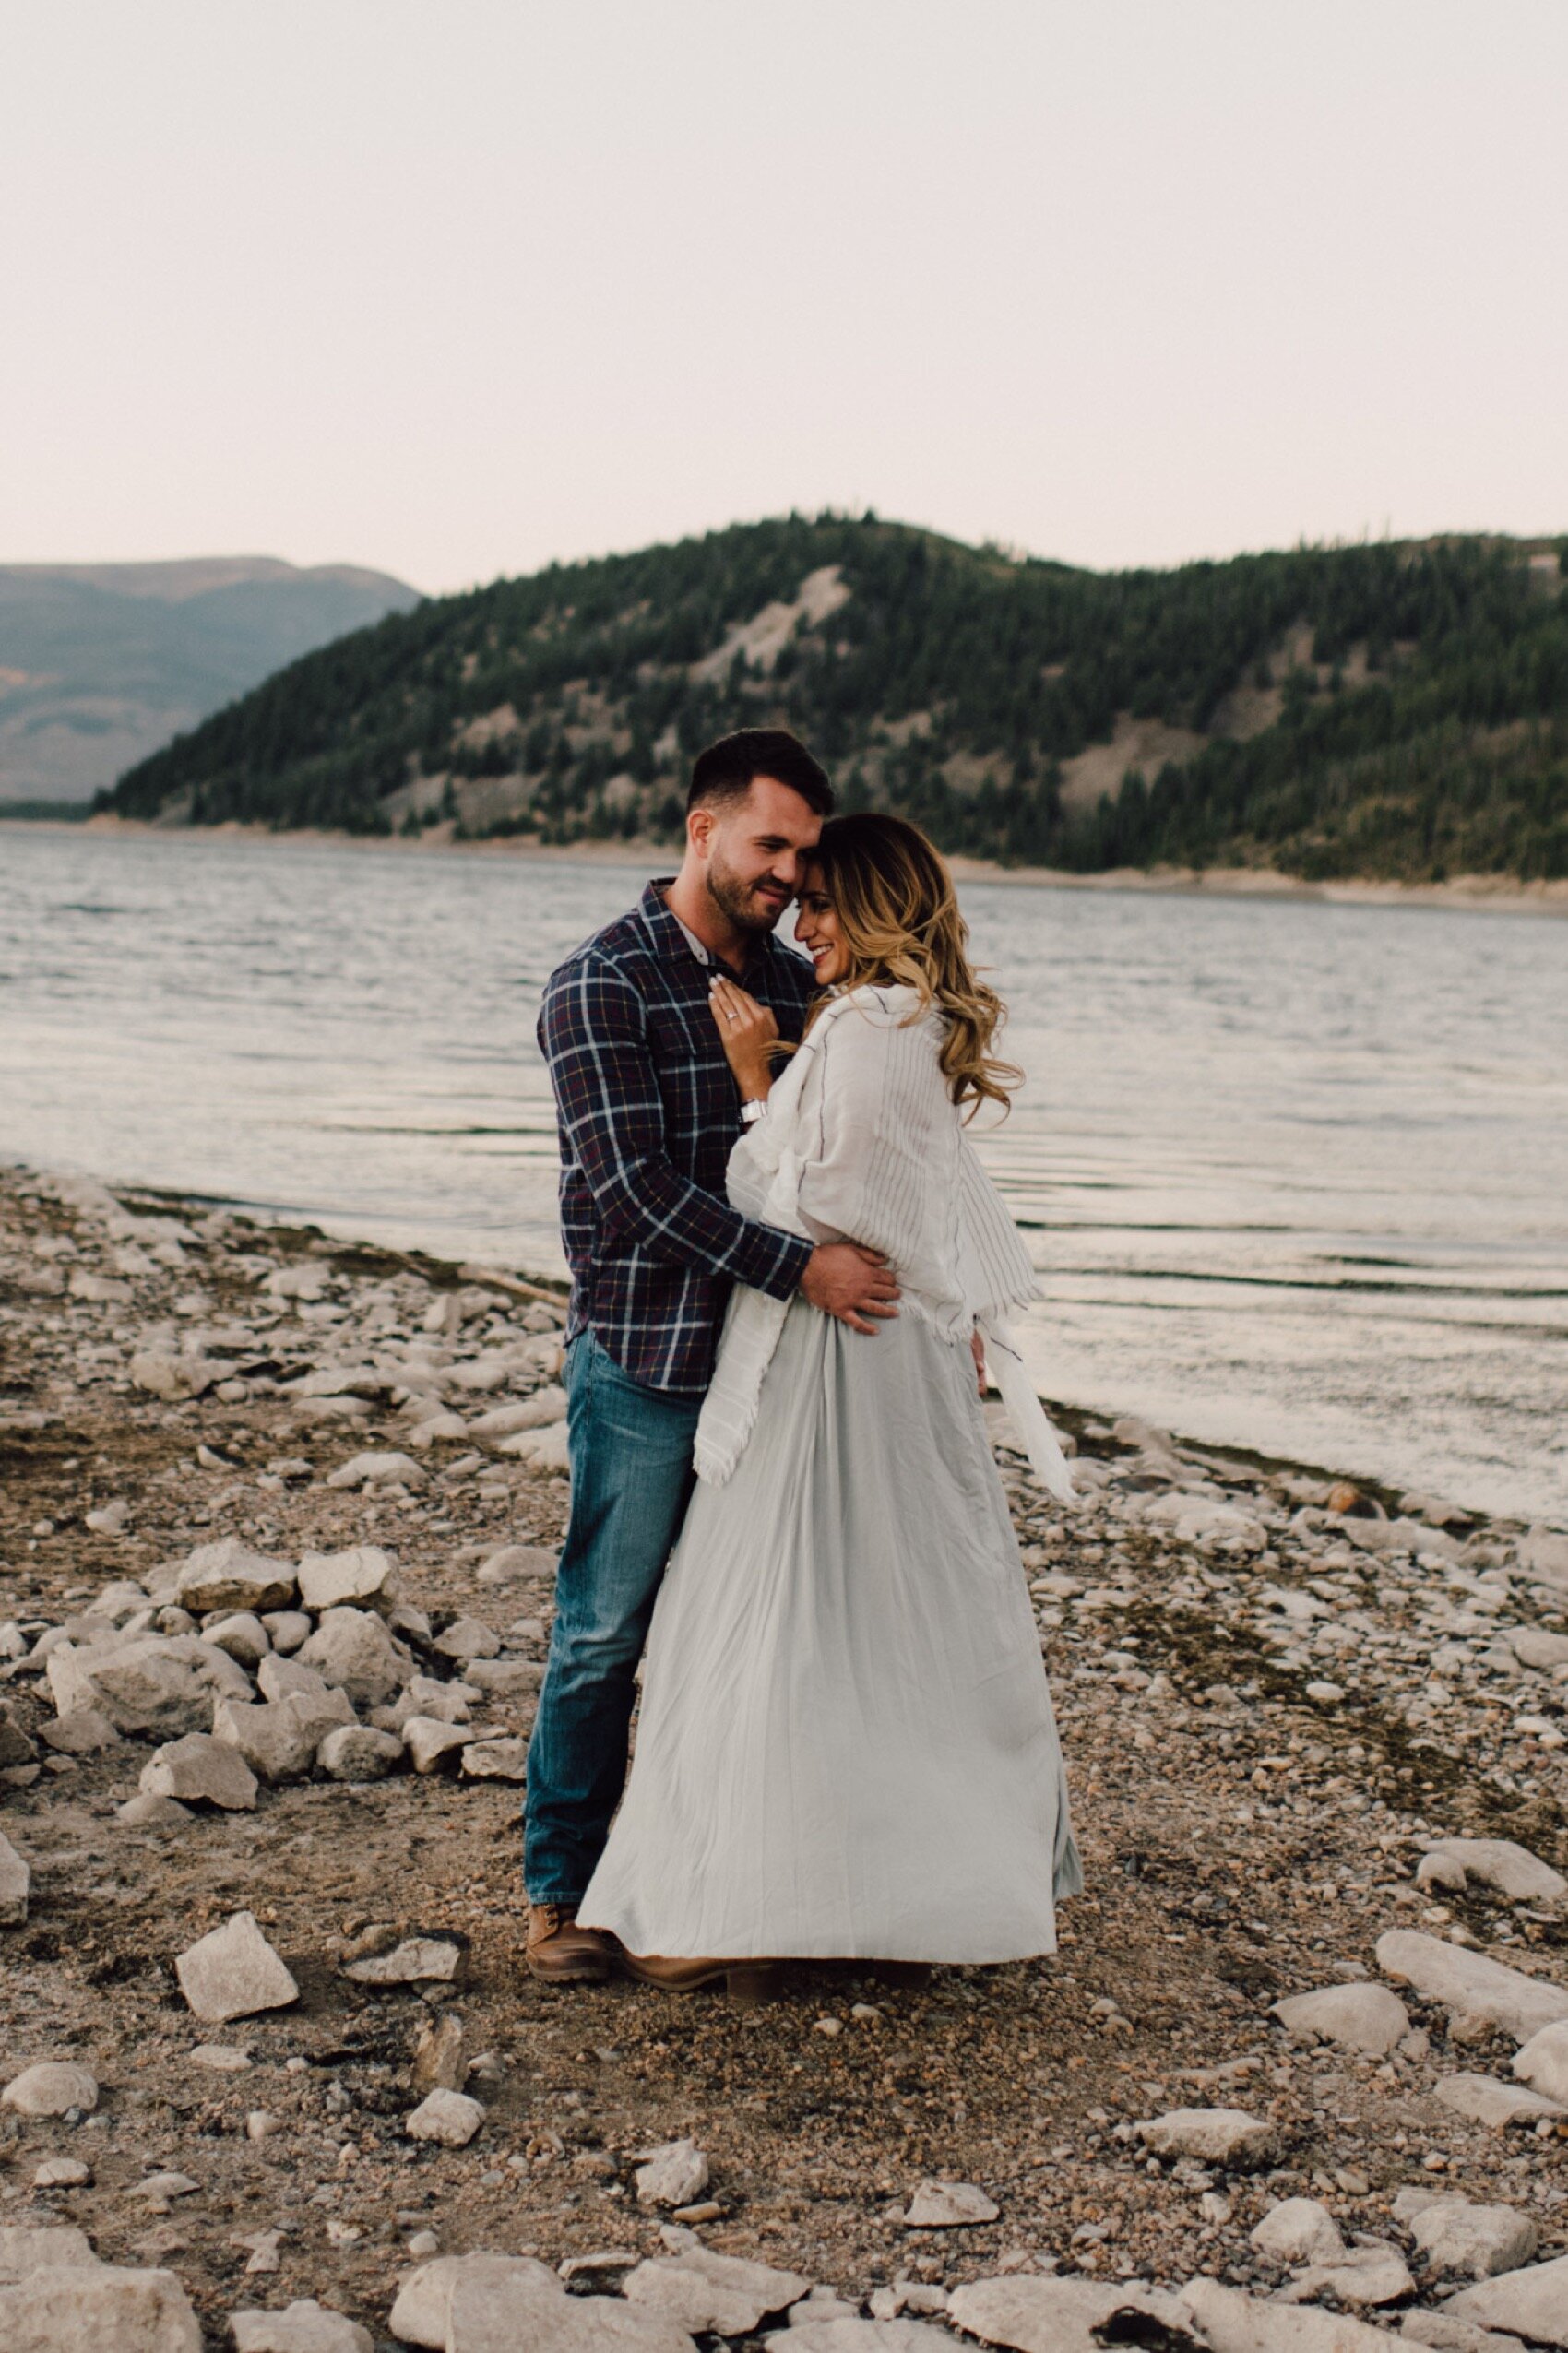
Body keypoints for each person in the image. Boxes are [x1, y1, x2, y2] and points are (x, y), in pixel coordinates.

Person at [577, 813, 1081, 1986]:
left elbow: (818, 1203)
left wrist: (757, 1085)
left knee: (772, 1607)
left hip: (833, 1352)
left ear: (871, 909)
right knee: (877, 1614)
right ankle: (868, 1885)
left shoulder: (864, 1025)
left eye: (821, 904)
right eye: (795, 899)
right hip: (876, 1344)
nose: (802, 925)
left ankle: (741, 1906)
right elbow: (919, 1193)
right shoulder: (908, 1020)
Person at [524, 729, 902, 1983]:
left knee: (747, 1636)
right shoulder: (603, 984)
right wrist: (803, 1267)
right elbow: (632, 1190)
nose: (791, 874)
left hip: (777, 1375)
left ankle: (706, 1890)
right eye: (770, 843)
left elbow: (839, 1165)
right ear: (702, 828)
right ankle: (561, 1889)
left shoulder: (807, 988)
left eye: (805, 851)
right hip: (646, 1364)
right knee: (606, 1633)